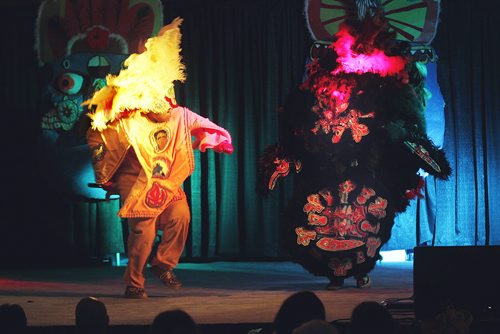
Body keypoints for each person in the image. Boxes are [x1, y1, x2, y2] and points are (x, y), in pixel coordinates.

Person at [84, 17, 233, 299]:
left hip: (165, 181)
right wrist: (104, 174)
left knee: (181, 217)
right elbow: (98, 137)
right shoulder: (126, 119)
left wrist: (216, 139)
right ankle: (134, 283)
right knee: (143, 233)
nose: (160, 103)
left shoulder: (179, 115)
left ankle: (163, 264)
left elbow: (207, 125)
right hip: (135, 180)